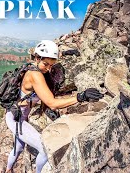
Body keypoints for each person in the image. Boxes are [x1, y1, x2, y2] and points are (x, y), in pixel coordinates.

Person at [5, 40, 103, 173]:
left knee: (18, 148)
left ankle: (8, 169)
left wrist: (65, 53)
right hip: (16, 119)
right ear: (37, 58)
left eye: (52, 65)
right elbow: (52, 103)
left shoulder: (34, 64)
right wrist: (80, 97)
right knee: (45, 149)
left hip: (18, 114)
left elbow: (48, 59)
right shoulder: (35, 75)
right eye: (46, 64)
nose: (49, 69)